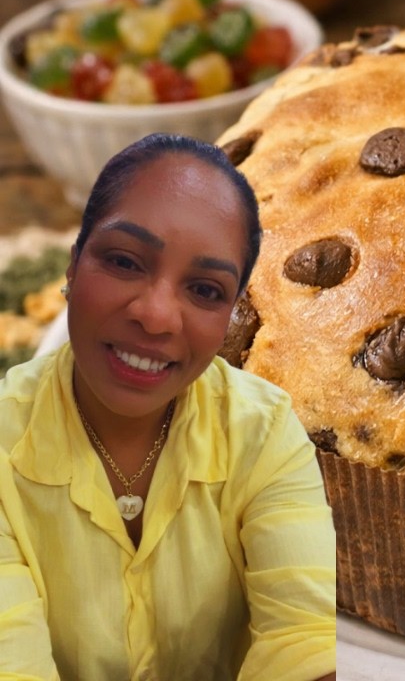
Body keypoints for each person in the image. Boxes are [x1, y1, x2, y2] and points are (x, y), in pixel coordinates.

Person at [0, 134, 337, 680]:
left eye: (205, 291)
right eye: (125, 261)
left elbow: (306, 641)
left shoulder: (267, 431)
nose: (157, 316)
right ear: (71, 266)